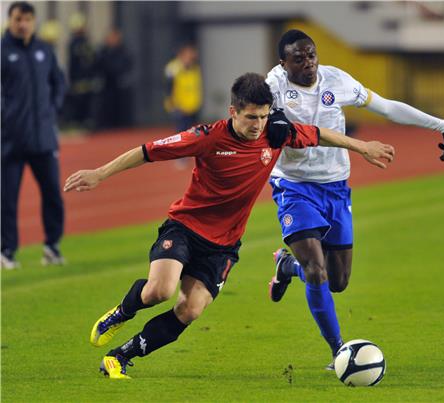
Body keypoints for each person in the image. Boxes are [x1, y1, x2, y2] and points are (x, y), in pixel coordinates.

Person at [63, 72, 395, 379]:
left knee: (190, 310)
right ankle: (121, 312)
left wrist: (363, 146)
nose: (258, 124)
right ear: (233, 111)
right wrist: (99, 174)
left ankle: (121, 357)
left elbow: (320, 134)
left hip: (223, 246)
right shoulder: (206, 137)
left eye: (264, 116)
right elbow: (148, 151)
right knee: (159, 291)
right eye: (251, 116)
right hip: (185, 228)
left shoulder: (275, 135)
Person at [265, 29, 444, 369]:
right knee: (316, 270)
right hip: (293, 186)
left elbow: (385, 107)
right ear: (284, 63)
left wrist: (441, 124)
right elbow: (263, 115)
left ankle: (287, 266)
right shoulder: (274, 86)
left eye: (312, 54)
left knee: (337, 281)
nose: (308, 63)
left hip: (336, 187)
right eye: (299, 58)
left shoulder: (336, 81)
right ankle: (339, 351)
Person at [1, 1, 67, 269]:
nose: (23, 24)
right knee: (7, 198)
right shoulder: (2, 51)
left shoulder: (44, 50)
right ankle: (6, 251)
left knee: (53, 192)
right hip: (10, 140)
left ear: (34, 21)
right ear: (10, 20)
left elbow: (59, 83)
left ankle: (52, 246)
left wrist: (52, 110)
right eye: (18, 19)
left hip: (43, 138)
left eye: (27, 19)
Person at [94, 28, 133, 129]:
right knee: (106, 107)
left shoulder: (123, 51)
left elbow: (126, 65)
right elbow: (98, 65)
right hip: (107, 84)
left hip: (119, 86)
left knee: (121, 108)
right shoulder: (103, 51)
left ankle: (122, 125)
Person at [66, 13, 96, 130]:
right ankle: (78, 124)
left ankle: (85, 123)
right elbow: (73, 63)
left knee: (86, 103)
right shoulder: (74, 43)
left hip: (85, 79)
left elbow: (91, 60)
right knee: (78, 103)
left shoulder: (84, 42)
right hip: (79, 79)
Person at [164, 44, 203, 134]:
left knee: (193, 134)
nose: (192, 56)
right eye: (189, 54)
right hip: (179, 107)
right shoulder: (173, 68)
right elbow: (167, 87)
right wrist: (172, 104)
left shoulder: (195, 68)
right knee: (182, 134)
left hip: (192, 106)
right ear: (181, 55)